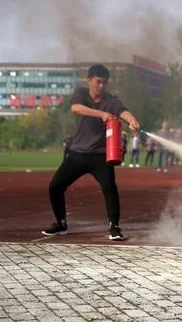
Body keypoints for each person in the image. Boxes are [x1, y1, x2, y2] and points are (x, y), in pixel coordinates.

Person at [43, 64, 140, 240]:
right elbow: (76, 108)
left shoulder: (111, 100)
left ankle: (114, 227)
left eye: (104, 83)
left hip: (101, 155)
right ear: (89, 80)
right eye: (98, 82)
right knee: (55, 186)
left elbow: (122, 111)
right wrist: (101, 114)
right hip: (77, 153)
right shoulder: (80, 94)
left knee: (109, 189)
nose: (101, 86)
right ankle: (61, 223)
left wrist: (132, 120)